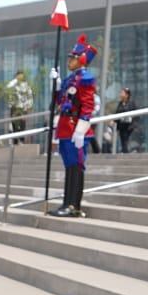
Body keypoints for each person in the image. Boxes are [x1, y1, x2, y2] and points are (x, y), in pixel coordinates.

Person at [52, 35, 97, 217]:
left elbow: (87, 106)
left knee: (76, 167)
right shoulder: (70, 79)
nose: (69, 60)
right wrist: (55, 85)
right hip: (64, 128)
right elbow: (59, 102)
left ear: (82, 60)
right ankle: (66, 203)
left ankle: (73, 205)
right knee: (69, 166)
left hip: (75, 129)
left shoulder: (85, 78)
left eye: (73, 58)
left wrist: (81, 130)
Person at [114, 87, 136, 154]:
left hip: (129, 125)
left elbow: (135, 113)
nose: (121, 94)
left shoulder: (131, 103)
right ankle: (125, 151)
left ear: (127, 95)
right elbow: (117, 113)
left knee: (125, 138)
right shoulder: (120, 103)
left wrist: (133, 121)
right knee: (122, 138)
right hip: (122, 125)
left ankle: (125, 151)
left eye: (122, 93)